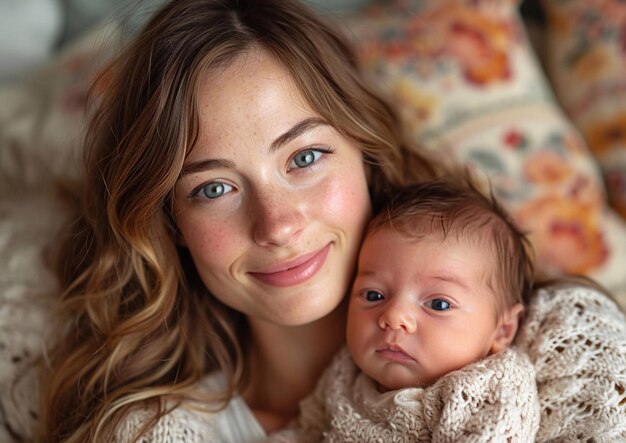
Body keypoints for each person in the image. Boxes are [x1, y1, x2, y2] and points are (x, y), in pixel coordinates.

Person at [34, 0, 626, 442]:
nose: (278, 225)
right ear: (170, 226)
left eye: (305, 157)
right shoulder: (152, 430)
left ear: (364, 152)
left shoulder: (559, 342)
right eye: (213, 188)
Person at [266, 180, 540, 442]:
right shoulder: (343, 374)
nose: (393, 317)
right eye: (374, 295)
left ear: (502, 330)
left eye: (438, 304)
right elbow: (307, 430)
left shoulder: (489, 386)